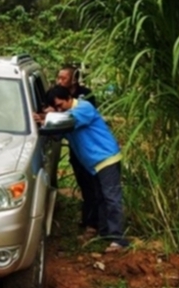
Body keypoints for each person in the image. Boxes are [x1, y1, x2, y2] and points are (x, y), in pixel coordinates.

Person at [49, 85, 129, 253]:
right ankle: (105, 231)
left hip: (106, 158)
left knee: (111, 198)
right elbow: (56, 133)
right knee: (100, 197)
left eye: (60, 105)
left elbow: (66, 123)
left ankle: (118, 239)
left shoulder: (83, 108)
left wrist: (47, 118)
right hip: (95, 162)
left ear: (69, 98)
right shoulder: (66, 115)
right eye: (55, 107)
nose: (59, 109)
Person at [46, 65, 99, 238]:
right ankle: (87, 218)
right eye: (58, 77)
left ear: (74, 79)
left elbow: (71, 119)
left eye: (63, 78)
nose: (59, 81)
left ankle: (93, 223)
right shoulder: (55, 94)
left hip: (89, 148)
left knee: (93, 187)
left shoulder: (85, 96)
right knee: (84, 185)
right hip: (76, 149)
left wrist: (55, 116)